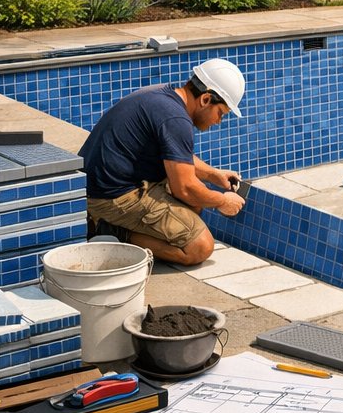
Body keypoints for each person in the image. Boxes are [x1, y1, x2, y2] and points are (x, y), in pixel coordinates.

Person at [80, 58, 248, 266]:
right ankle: (112, 230)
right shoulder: (176, 120)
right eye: (220, 113)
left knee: (195, 203)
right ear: (205, 99)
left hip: (101, 185)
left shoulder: (163, 96)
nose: (218, 121)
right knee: (200, 247)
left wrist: (213, 174)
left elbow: (176, 153)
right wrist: (223, 201)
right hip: (112, 198)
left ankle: (120, 226)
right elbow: (185, 188)